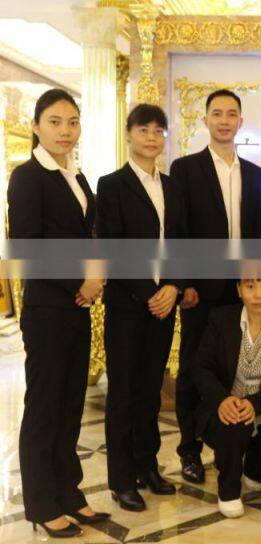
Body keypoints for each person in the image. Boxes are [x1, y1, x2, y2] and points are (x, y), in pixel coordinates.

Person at [8, 88, 109, 538]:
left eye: (72, 122)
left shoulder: (75, 176)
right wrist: (78, 283)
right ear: (36, 126)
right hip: (47, 309)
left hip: (75, 309)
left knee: (70, 405)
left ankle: (69, 491)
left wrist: (96, 275)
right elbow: (28, 248)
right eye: (54, 121)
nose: (65, 130)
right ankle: (41, 502)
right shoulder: (28, 177)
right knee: (45, 406)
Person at [171, 89, 261, 485]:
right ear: (206, 120)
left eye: (231, 114)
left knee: (235, 367)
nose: (225, 120)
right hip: (201, 290)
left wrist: (258, 283)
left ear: (241, 121)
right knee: (194, 367)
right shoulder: (185, 169)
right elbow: (178, 231)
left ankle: (230, 443)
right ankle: (189, 449)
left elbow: (258, 234)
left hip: (242, 290)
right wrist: (185, 284)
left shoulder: (254, 173)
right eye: (217, 113)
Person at [96, 104, 186, 511]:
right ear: (129, 133)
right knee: (124, 393)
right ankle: (121, 479)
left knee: (151, 390)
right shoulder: (111, 185)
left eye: (158, 131)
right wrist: (149, 292)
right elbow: (112, 247)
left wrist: (173, 287)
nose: (151, 137)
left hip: (164, 303)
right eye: (143, 129)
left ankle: (148, 466)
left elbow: (183, 244)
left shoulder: (172, 186)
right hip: (128, 306)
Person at [193, 278, 261, 518]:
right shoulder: (221, 318)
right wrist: (222, 399)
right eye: (250, 286)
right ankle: (228, 489)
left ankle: (251, 466)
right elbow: (201, 368)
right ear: (239, 289)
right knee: (235, 421)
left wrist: (256, 404)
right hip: (225, 410)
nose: (259, 294)